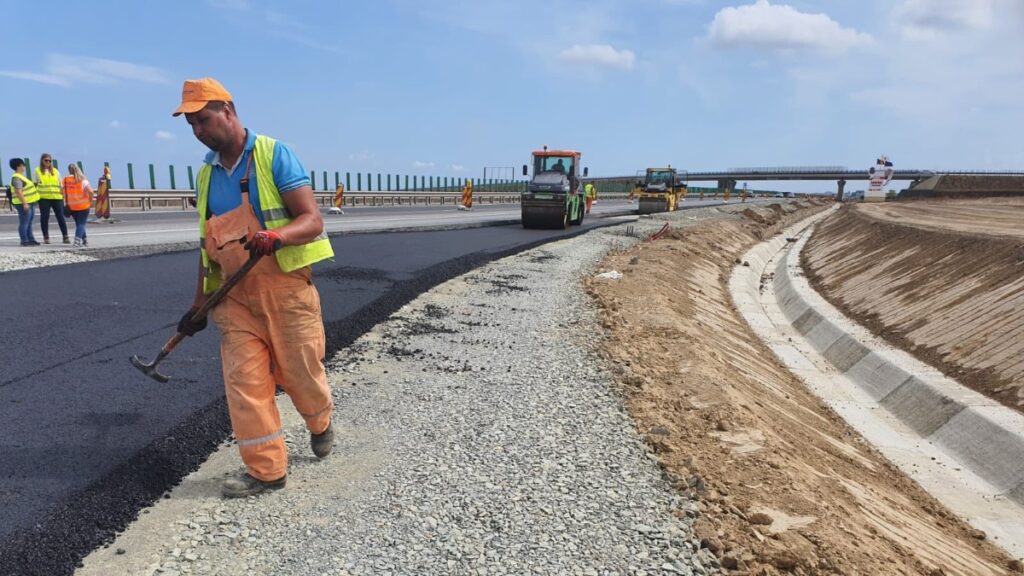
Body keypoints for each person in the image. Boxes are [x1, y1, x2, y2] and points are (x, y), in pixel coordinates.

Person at [173, 77, 336, 498]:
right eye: (191, 124)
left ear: (227, 110)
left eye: (203, 120)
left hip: (285, 289)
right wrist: (198, 307)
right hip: (235, 298)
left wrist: (278, 236)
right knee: (245, 385)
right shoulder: (206, 176)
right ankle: (267, 471)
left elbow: (312, 220)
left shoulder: (272, 154)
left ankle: (320, 421)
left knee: (301, 375)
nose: (198, 131)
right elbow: (207, 249)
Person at [35, 153, 70, 244]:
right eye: (46, 160)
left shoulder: (55, 171)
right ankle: (46, 237)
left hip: (57, 198)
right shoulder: (37, 171)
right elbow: (34, 184)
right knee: (45, 218)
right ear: (42, 161)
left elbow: (61, 184)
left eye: (49, 161)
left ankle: (65, 236)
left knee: (60, 217)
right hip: (44, 198)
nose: (48, 162)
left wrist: (64, 196)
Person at [9, 159, 40, 246]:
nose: (24, 167)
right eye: (23, 165)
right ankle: (24, 240)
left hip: (30, 202)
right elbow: (18, 191)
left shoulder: (21, 176)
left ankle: (31, 239)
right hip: (24, 203)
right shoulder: (16, 178)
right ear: (18, 166)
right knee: (24, 223)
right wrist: (24, 203)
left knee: (29, 222)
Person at [62, 163, 94, 247]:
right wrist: (90, 201)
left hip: (72, 206)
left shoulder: (65, 180)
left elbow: (61, 191)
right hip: (83, 206)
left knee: (78, 223)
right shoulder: (82, 179)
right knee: (81, 224)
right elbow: (91, 192)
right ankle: (77, 240)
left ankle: (85, 240)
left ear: (69, 170)